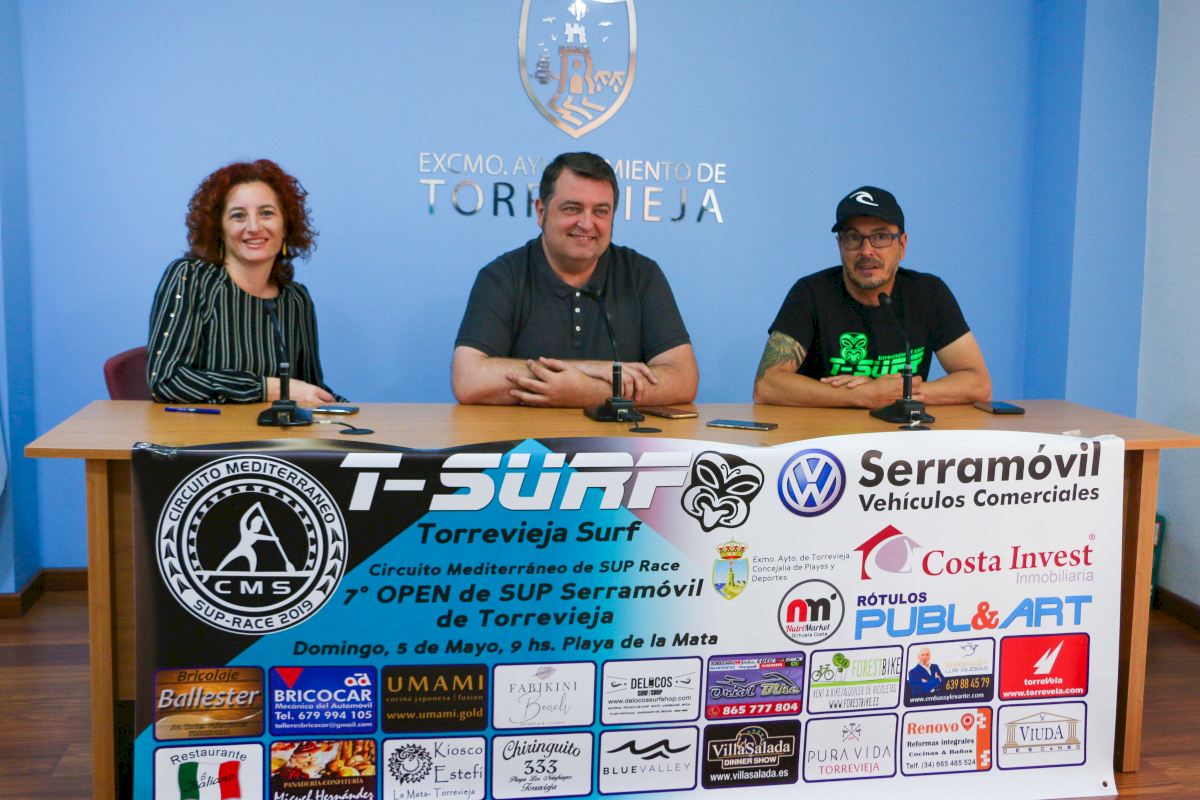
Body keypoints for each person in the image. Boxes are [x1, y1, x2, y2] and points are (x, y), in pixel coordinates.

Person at [452, 152, 698, 407]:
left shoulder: (641, 274)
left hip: (618, 434)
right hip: (525, 433)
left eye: (600, 211)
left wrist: (589, 391)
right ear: (541, 212)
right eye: (572, 209)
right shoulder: (502, 276)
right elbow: (469, 379)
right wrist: (591, 369)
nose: (587, 224)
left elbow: (683, 379)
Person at [753, 186, 990, 408]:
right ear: (840, 245)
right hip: (824, 434)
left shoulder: (928, 293)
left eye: (881, 237)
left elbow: (978, 383)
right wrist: (859, 396)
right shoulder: (810, 293)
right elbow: (767, 385)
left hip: (900, 433)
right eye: (853, 237)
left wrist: (900, 393)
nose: (866, 251)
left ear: (902, 245)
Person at [147, 159, 343, 404]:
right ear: (219, 229)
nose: (254, 227)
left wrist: (357, 414)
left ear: (285, 226)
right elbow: (166, 380)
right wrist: (268, 389)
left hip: (276, 429)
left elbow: (308, 388)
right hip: (209, 429)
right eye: (238, 216)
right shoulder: (191, 279)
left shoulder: (296, 299)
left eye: (267, 213)